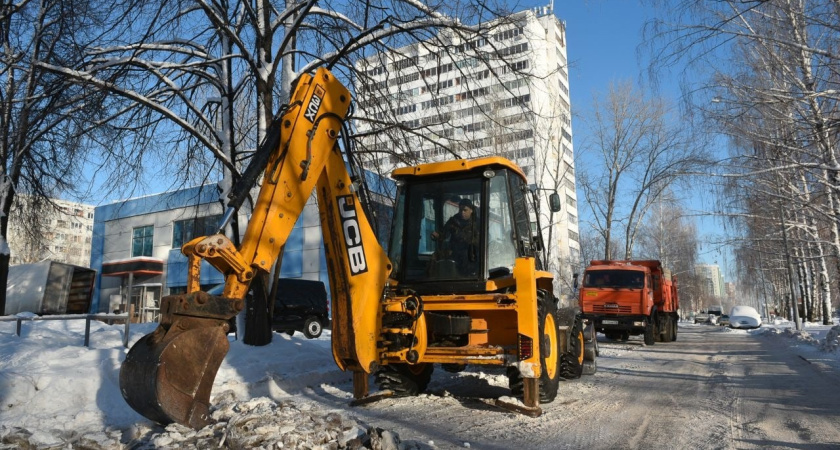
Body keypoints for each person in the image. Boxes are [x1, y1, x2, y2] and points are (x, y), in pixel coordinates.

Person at [431, 198, 479, 275]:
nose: (462, 212)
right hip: (454, 253)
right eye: (460, 210)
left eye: (465, 210)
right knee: (435, 257)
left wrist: (463, 237)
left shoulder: (477, 223)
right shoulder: (453, 221)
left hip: (470, 255)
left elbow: (479, 241)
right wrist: (437, 235)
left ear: (471, 210)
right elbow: (444, 233)